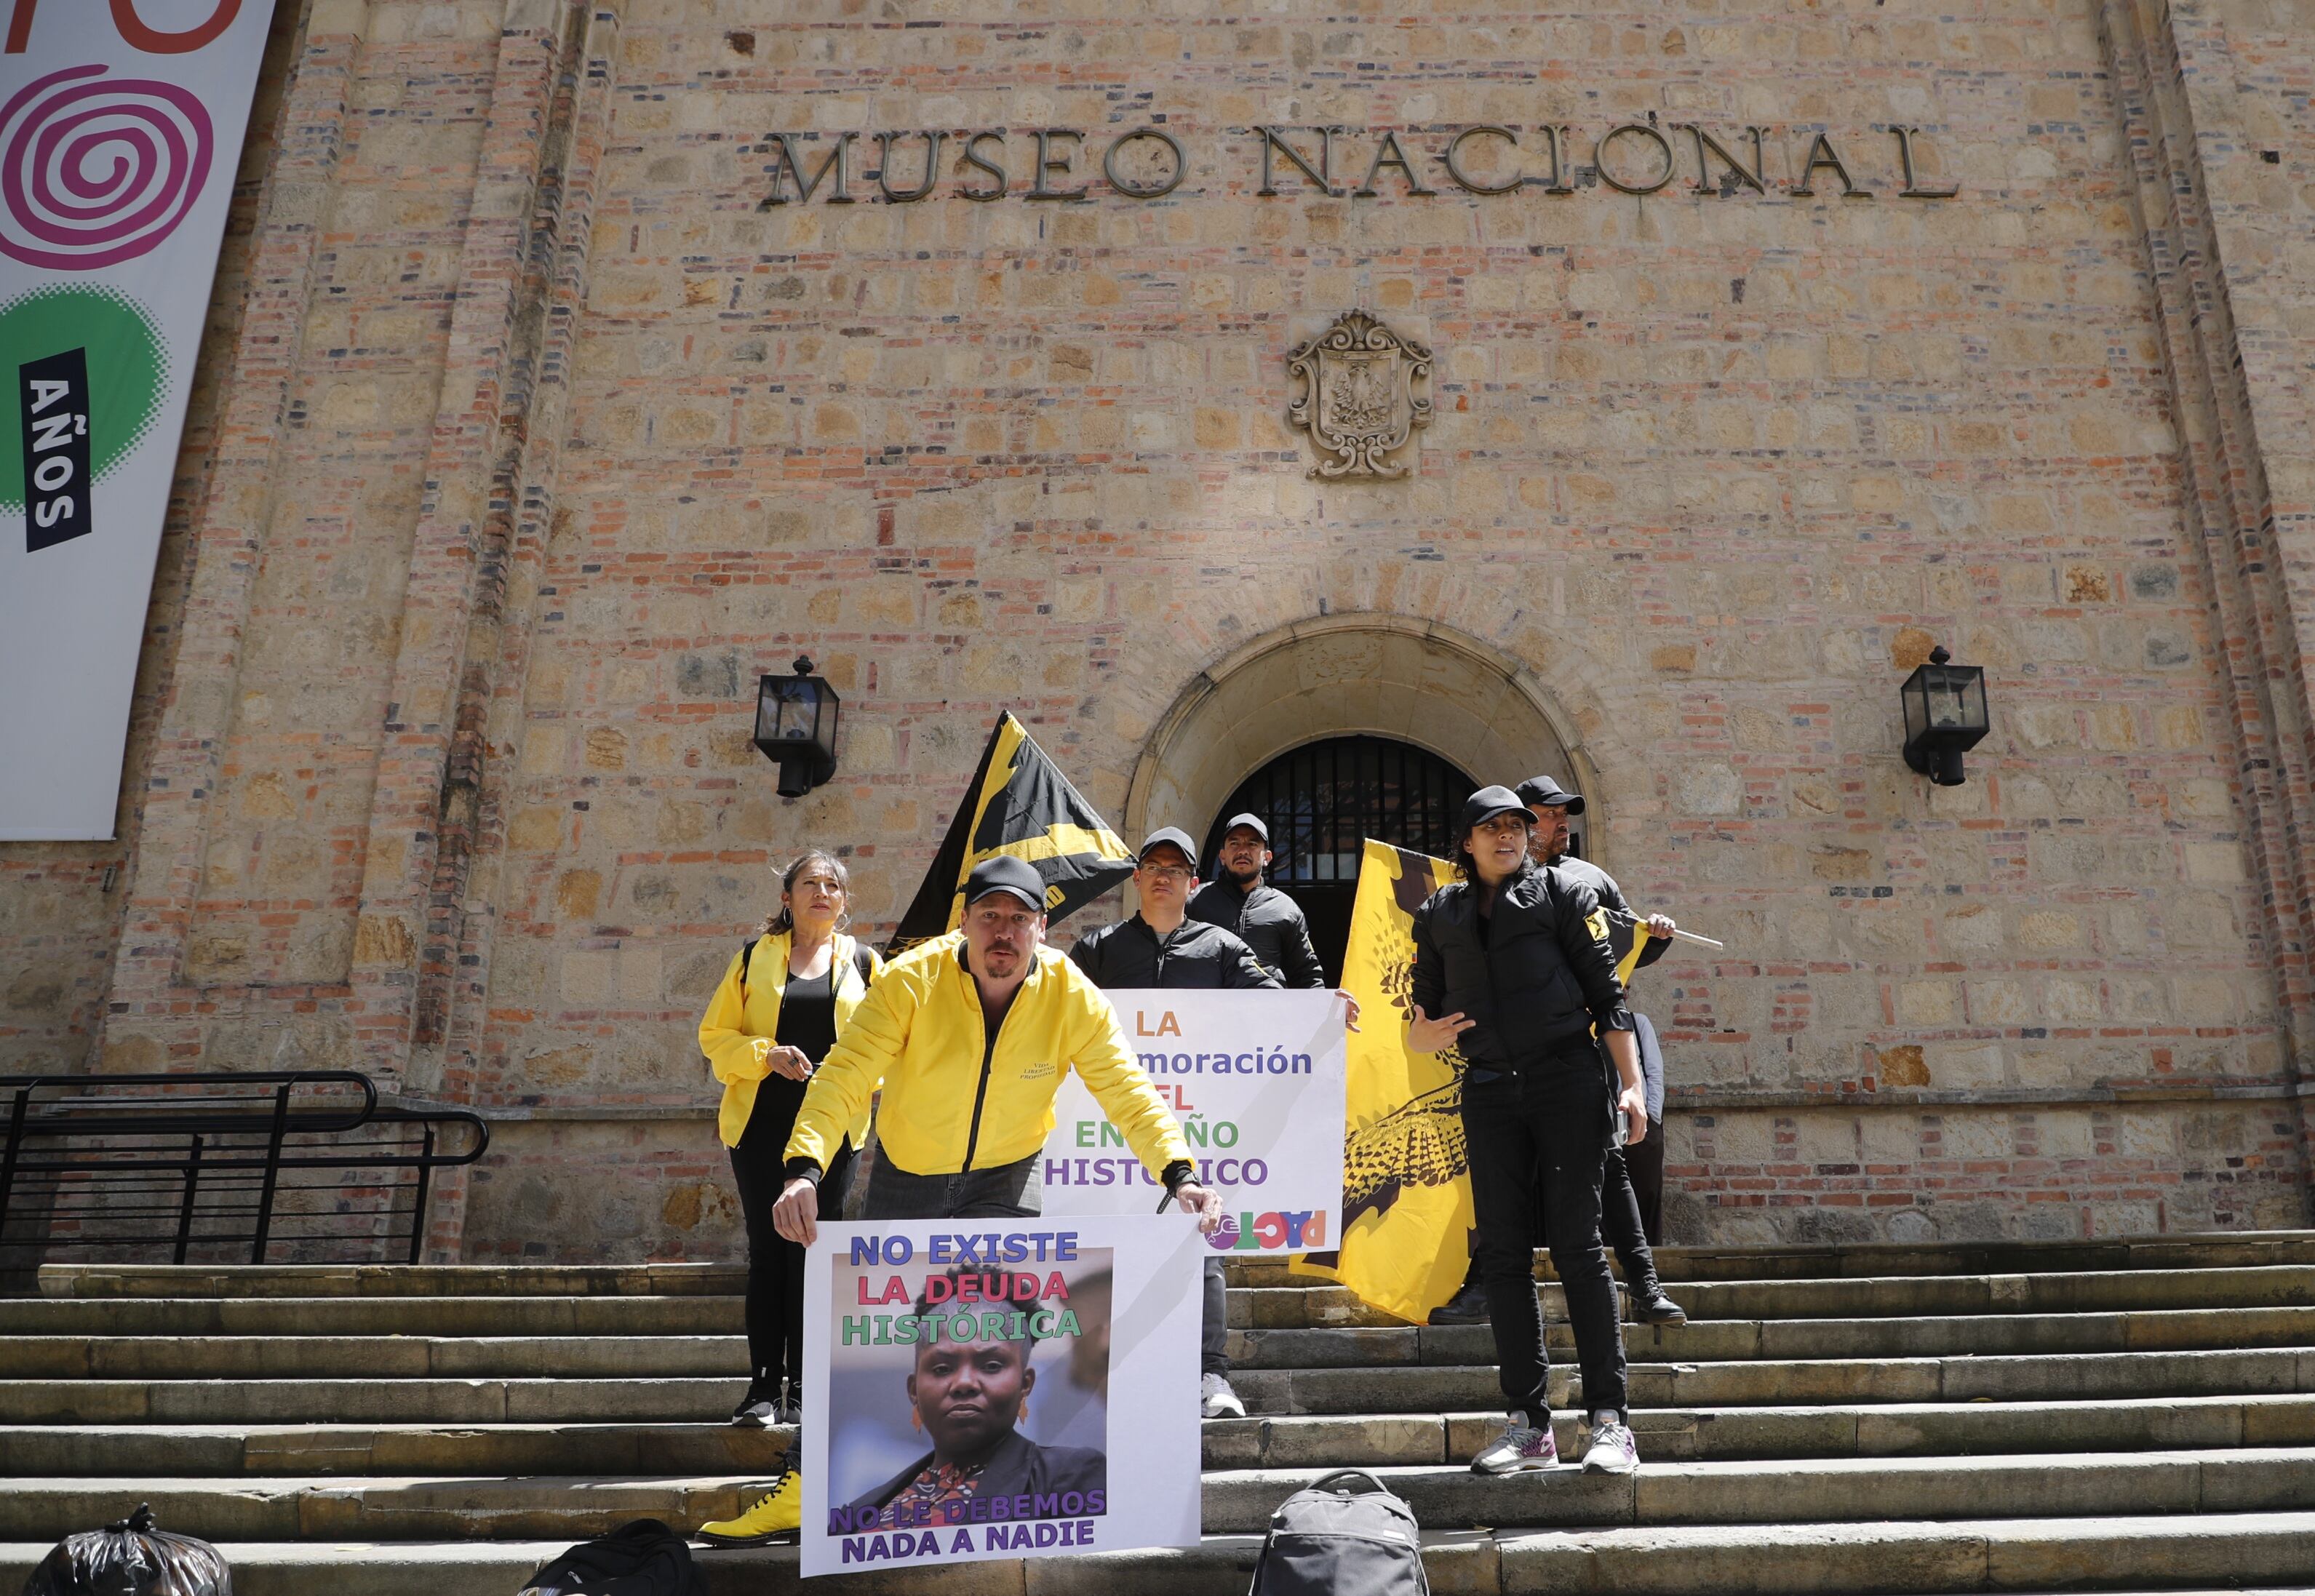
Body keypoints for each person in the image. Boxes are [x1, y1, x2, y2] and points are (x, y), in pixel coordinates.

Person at [699, 855, 1221, 1546]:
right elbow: (847, 1076)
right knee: (880, 1336)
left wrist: (1181, 1173)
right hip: (907, 1172)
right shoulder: (911, 980)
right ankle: (806, 1484)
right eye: (989, 917)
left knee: (993, 1333)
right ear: (966, 922)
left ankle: (995, 1491)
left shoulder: (1071, 994)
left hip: (1007, 1177)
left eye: (1018, 919)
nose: (1002, 933)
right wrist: (803, 1168)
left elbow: (1127, 1090)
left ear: (1042, 927)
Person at [1407, 786, 1648, 1477]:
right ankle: (1528, 1425)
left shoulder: (1564, 896)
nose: (1509, 836)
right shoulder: (1439, 913)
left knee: (1577, 1247)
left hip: (1566, 1081)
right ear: (1467, 841)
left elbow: (1608, 997)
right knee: (1504, 1257)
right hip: (1487, 1091)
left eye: (1517, 826)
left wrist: (1629, 1083)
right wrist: (1420, 1035)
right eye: (1493, 828)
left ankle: (1610, 1421)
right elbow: (1421, 1017)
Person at [1071, 826, 1280, 1421]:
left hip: (1194, 1130)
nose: (1163, 875)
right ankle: (1100, 1374)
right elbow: (1049, 1005)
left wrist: (1326, 1007)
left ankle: (1210, 1376)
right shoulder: (1099, 947)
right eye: (1152, 865)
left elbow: (1278, 1003)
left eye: (1176, 867)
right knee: (1103, 1248)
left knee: (1202, 1246)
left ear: (1194, 882)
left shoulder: (1219, 947)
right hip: (1106, 1129)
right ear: (1136, 878)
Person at [697, 852, 881, 1427]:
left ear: (845, 902)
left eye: (833, 885)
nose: (821, 892)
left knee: (813, 1252)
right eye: (809, 883)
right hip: (759, 1127)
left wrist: (848, 1078)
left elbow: (886, 1047)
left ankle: (804, 1389)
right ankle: (760, 1390)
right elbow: (714, 1036)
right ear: (787, 897)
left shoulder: (867, 965)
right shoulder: (754, 959)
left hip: (833, 1131)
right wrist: (764, 1055)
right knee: (767, 1253)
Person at [837, 1269, 1105, 1528]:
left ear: (1025, 1385)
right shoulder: (861, 1517)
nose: (964, 1383)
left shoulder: (1075, 1480)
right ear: (914, 1390)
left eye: (991, 1366)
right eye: (942, 1369)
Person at [1187, 813, 1326, 986]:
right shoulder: (1194, 900)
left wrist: (1329, 1009)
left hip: (1266, 1011)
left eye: (1252, 844)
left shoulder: (1286, 909)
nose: (1243, 850)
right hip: (1206, 1010)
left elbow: (1307, 975)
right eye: (1234, 843)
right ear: (1222, 856)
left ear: (1267, 857)